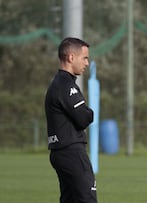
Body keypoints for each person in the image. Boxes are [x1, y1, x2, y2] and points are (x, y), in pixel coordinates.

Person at [45, 37, 97, 203]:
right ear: (71, 58)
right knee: (86, 199)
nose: (87, 63)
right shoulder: (66, 85)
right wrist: (90, 113)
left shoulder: (58, 83)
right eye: (85, 58)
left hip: (60, 152)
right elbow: (84, 118)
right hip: (71, 152)